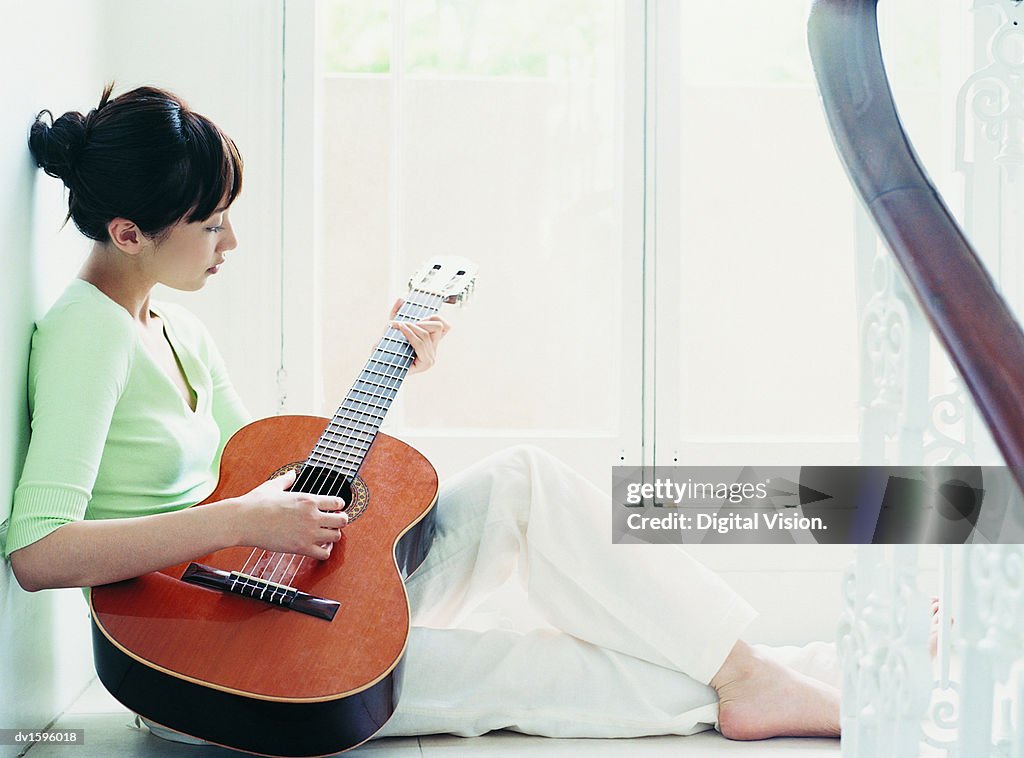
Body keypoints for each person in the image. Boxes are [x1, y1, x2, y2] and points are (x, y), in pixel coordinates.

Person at [5, 84, 841, 746]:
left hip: (270, 591)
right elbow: (39, 554)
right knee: (519, 670)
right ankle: (772, 682)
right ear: (128, 232)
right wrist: (244, 514)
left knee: (525, 480)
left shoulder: (174, 323)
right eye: (211, 226)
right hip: (207, 671)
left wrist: (393, 361)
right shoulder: (89, 335)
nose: (231, 245)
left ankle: (755, 668)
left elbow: (272, 470)